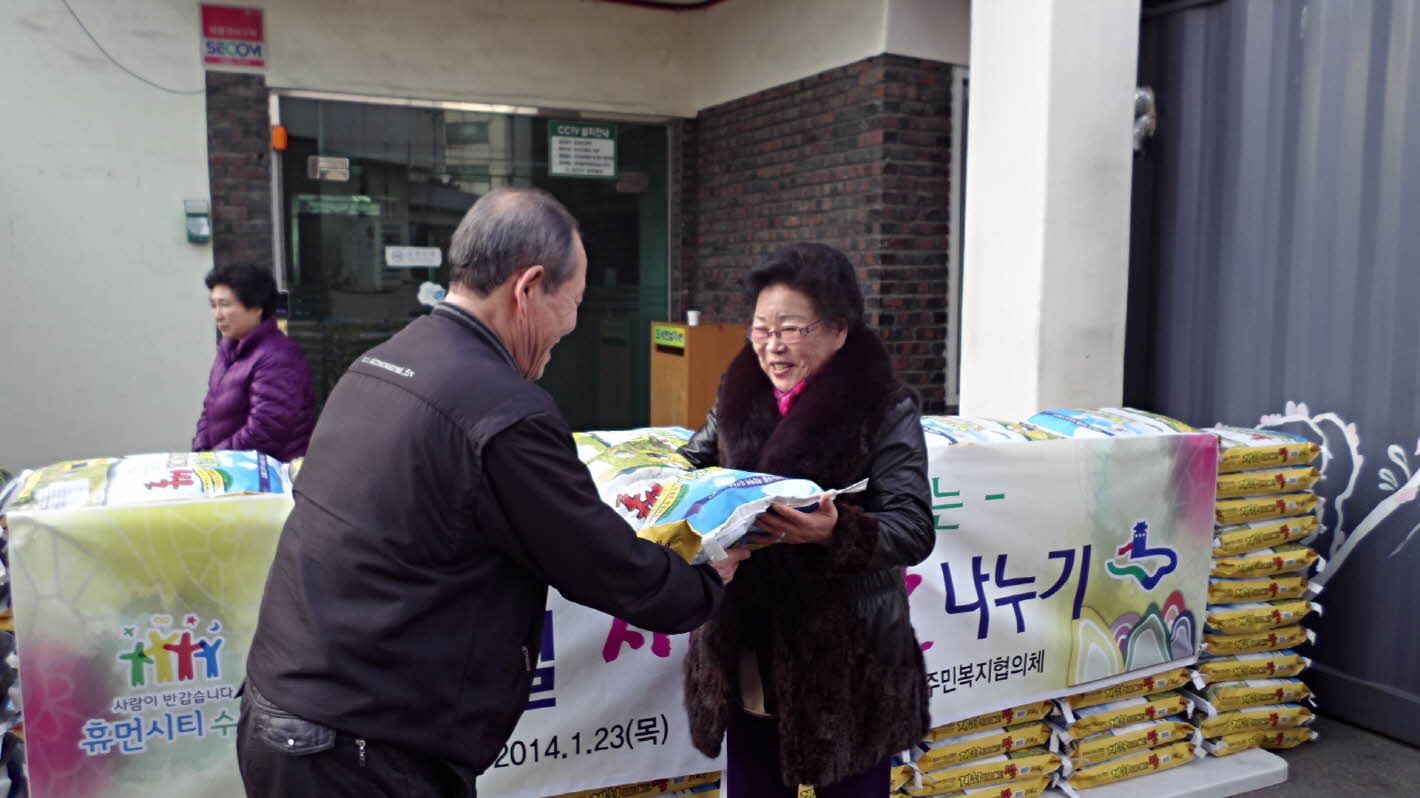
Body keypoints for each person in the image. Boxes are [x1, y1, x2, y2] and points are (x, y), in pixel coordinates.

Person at [237, 187, 746, 797]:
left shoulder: (380, 363)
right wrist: (706, 582)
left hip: (290, 717)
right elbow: (602, 563)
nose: (573, 326)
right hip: (363, 748)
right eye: (575, 302)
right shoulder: (501, 411)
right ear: (528, 288)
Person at [679, 243, 935, 797]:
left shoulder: (886, 409)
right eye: (760, 328)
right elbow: (692, 462)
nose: (772, 346)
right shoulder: (739, 394)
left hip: (846, 663)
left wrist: (837, 530)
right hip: (749, 646)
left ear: (838, 331)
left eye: (791, 329)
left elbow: (912, 526)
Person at [192, 264, 314, 461]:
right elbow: (209, 410)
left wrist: (214, 460)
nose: (217, 314)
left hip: (266, 477)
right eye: (213, 305)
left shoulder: (279, 357)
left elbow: (267, 428)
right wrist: (201, 454)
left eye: (225, 304)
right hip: (228, 469)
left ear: (257, 308)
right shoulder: (228, 350)